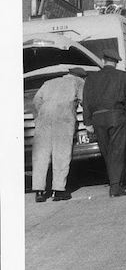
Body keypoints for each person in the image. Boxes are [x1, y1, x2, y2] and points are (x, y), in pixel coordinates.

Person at [82, 52, 126, 198]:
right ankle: (115, 187)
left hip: (97, 119)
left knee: (106, 151)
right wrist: (125, 114)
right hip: (116, 116)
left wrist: (88, 122)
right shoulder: (123, 76)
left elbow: (86, 101)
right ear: (116, 62)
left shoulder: (91, 78)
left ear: (102, 60)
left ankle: (114, 182)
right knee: (117, 151)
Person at [32, 67, 87, 202]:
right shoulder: (78, 82)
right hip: (63, 118)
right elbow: (84, 101)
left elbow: (36, 100)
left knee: (41, 155)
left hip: (44, 118)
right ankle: (58, 191)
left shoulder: (49, 82)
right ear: (81, 77)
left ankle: (39, 191)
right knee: (61, 153)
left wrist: (43, 113)